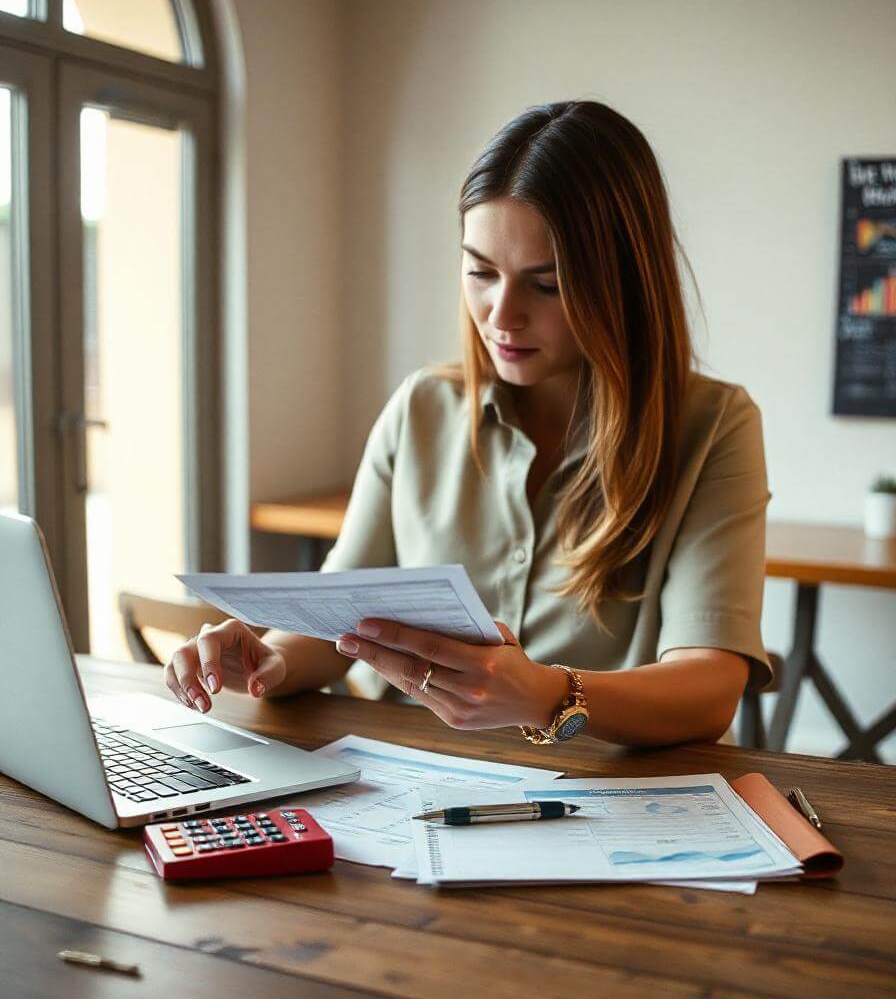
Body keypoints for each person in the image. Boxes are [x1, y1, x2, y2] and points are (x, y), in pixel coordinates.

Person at [166, 99, 772, 748]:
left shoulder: (713, 425)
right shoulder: (421, 407)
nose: (501, 314)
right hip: (413, 783)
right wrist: (266, 661)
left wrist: (546, 695)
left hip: (608, 794)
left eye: (547, 283)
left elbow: (709, 689)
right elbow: (340, 625)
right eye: (481, 272)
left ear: (622, 281)